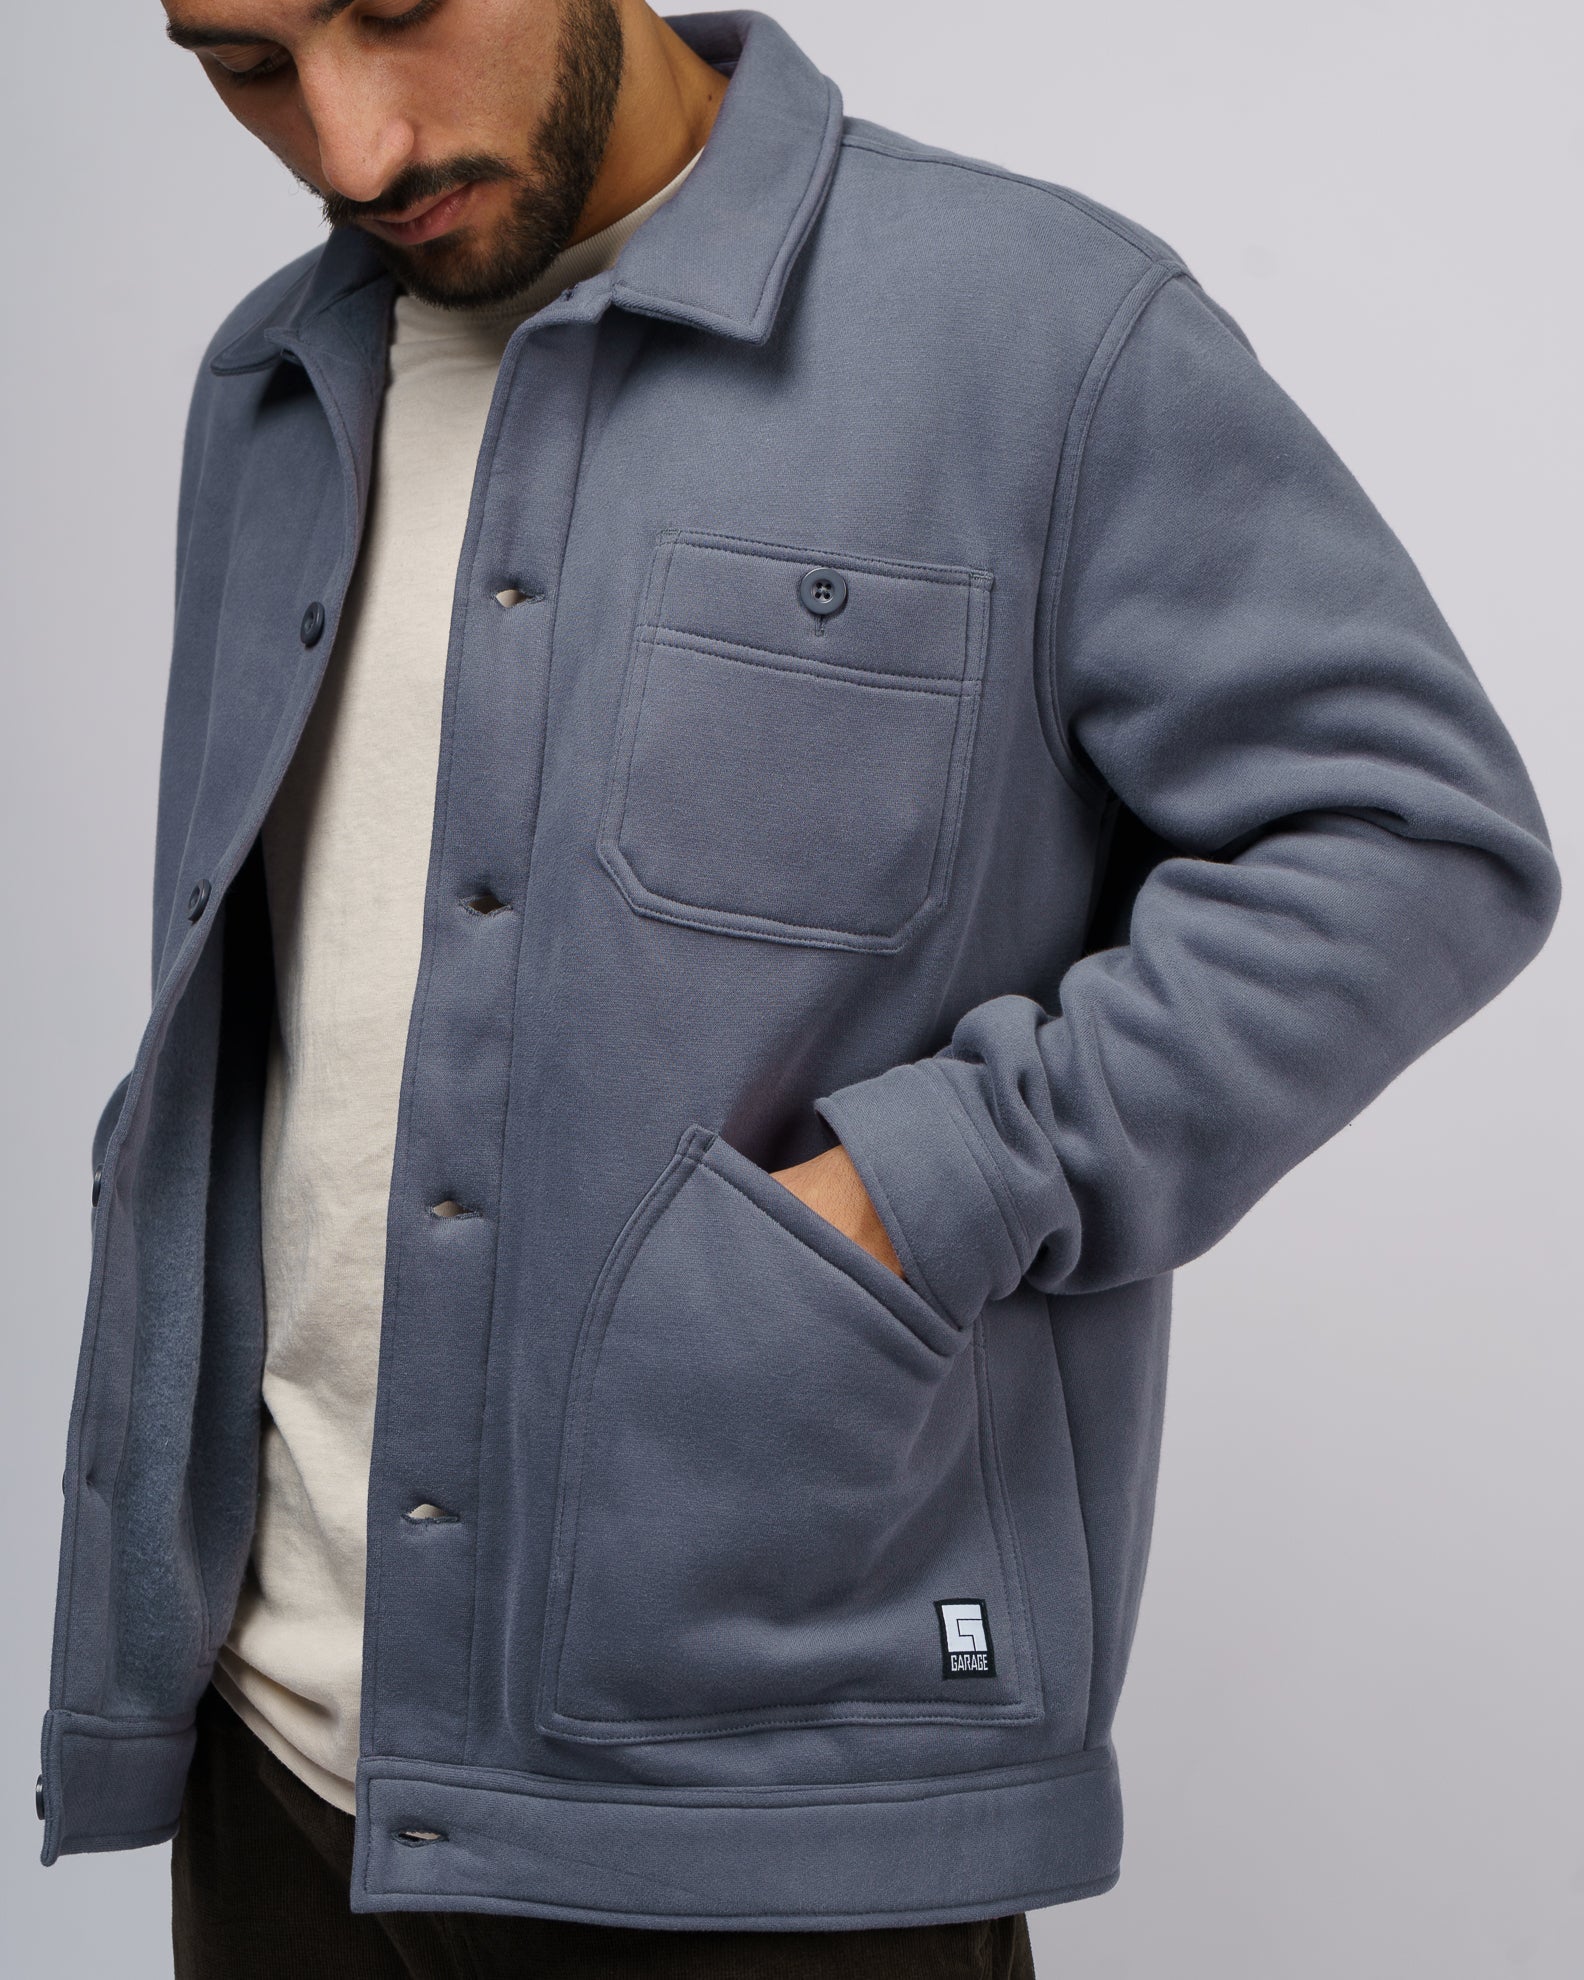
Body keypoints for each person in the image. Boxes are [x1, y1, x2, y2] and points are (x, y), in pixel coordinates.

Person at [36, 4, 1560, 1976]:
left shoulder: (1038, 334)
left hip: (772, 1807)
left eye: (397, 10)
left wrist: (935, 1185)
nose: (350, 146)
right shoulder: (272, 384)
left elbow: (1413, 839)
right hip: (278, 1776)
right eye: (244, 64)